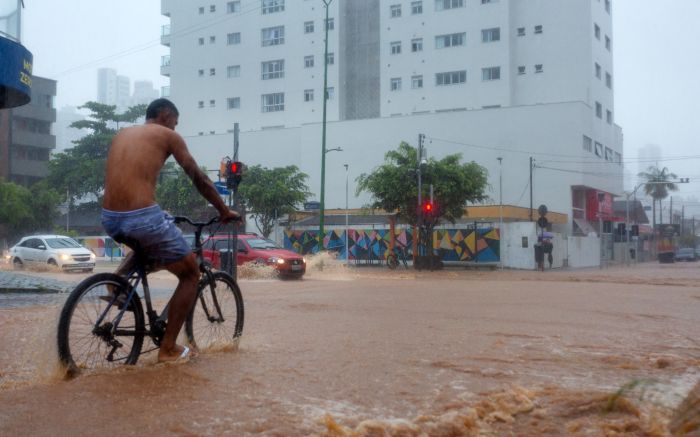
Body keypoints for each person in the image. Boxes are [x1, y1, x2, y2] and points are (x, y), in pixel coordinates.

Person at [101, 98, 240, 363]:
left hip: (110, 218)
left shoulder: (123, 134)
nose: (175, 129)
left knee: (149, 243)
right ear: (165, 115)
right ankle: (168, 349)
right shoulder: (166, 135)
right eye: (175, 123)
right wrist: (223, 210)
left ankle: (116, 281)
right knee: (191, 273)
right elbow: (199, 177)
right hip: (141, 217)